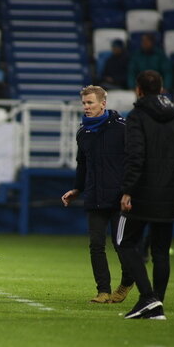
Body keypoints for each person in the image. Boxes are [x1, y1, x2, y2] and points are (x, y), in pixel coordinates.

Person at [117, 70, 174, 320]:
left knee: (127, 244)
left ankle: (148, 298)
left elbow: (135, 157)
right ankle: (156, 305)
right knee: (161, 251)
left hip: (142, 193)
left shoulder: (137, 117)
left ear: (138, 89)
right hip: (169, 194)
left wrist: (128, 189)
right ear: (161, 89)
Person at [61, 86, 135, 304]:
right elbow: (82, 165)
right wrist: (77, 188)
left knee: (121, 245)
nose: (86, 107)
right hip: (95, 196)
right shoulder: (83, 133)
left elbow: (134, 162)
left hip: (120, 197)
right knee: (96, 244)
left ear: (103, 103)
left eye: (90, 103)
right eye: (84, 103)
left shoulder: (123, 129)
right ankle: (103, 290)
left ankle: (127, 282)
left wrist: (130, 191)